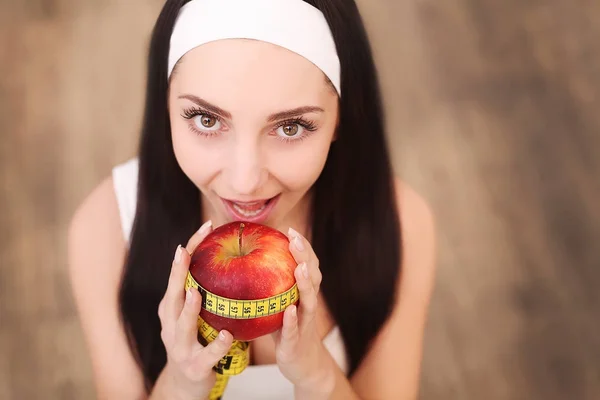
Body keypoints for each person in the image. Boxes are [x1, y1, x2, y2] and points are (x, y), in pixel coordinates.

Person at [67, 0, 437, 399]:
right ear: (166, 108)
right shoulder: (105, 230)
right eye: (206, 120)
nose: (245, 182)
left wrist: (316, 376)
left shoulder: (401, 225)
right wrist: (182, 382)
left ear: (340, 117)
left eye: (291, 127)